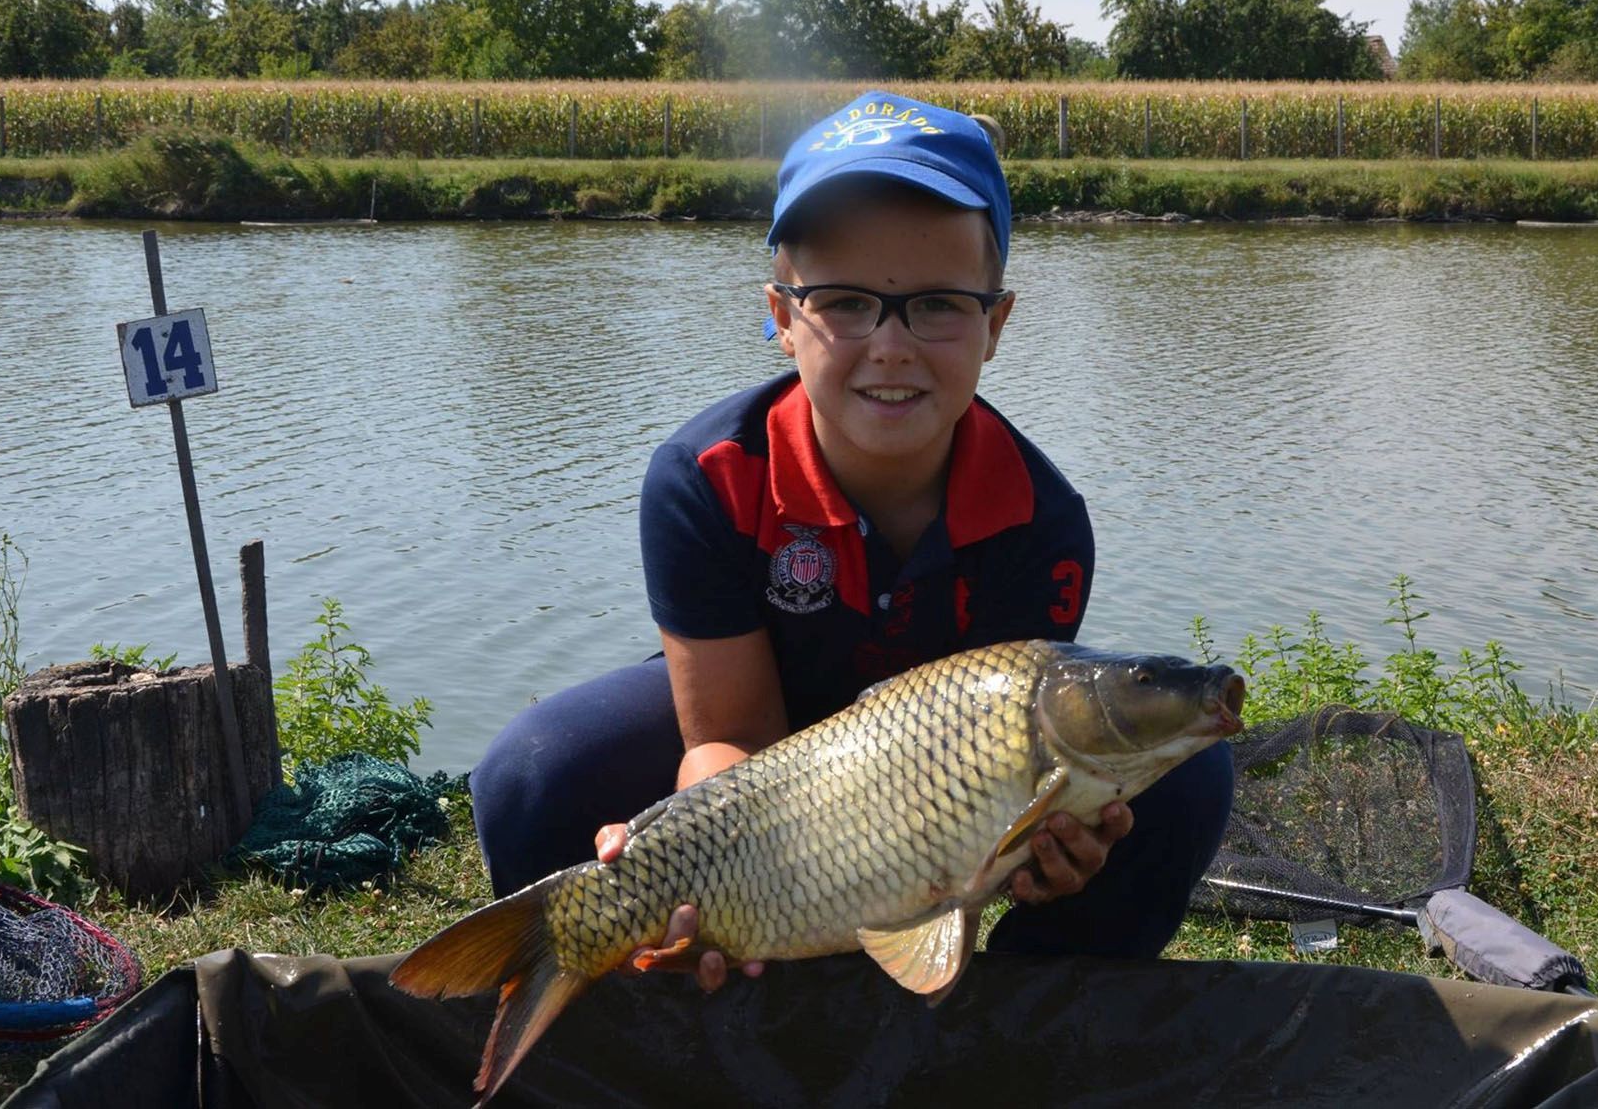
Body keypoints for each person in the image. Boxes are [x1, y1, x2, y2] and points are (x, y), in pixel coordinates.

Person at [470, 90, 1234, 990]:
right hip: (765, 750)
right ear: (782, 316)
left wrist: (1035, 860)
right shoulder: (706, 476)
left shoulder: (1042, 517)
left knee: (1187, 783)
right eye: (844, 302)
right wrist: (689, 853)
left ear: (996, 324)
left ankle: (1021, 1032)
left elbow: (997, 782)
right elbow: (728, 737)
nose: (891, 345)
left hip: (935, 774)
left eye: (939, 305)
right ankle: (619, 1012)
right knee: (534, 773)